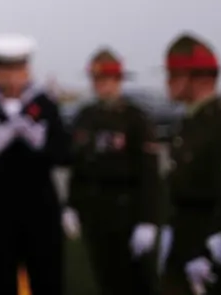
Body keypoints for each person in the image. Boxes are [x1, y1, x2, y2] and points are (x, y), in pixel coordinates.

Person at [0, 34, 71, 295]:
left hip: (39, 208)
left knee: (47, 277)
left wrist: (38, 138)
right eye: (7, 70)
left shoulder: (44, 104)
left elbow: (63, 152)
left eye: (19, 69)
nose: (14, 77)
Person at [62, 48, 160, 295]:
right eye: (96, 80)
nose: (100, 86)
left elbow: (149, 172)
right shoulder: (86, 116)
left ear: (118, 81)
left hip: (126, 210)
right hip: (95, 210)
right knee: (105, 276)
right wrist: (71, 205)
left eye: (105, 80)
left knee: (135, 281)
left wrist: (148, 219)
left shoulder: (134, 118)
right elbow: (78, 165)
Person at [158, 33, 221, 295]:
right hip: (185, 243)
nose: (167, 82)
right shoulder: (190, 122)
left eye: (173, 74)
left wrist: (213, 247)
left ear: (198, 77)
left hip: (209, 254)